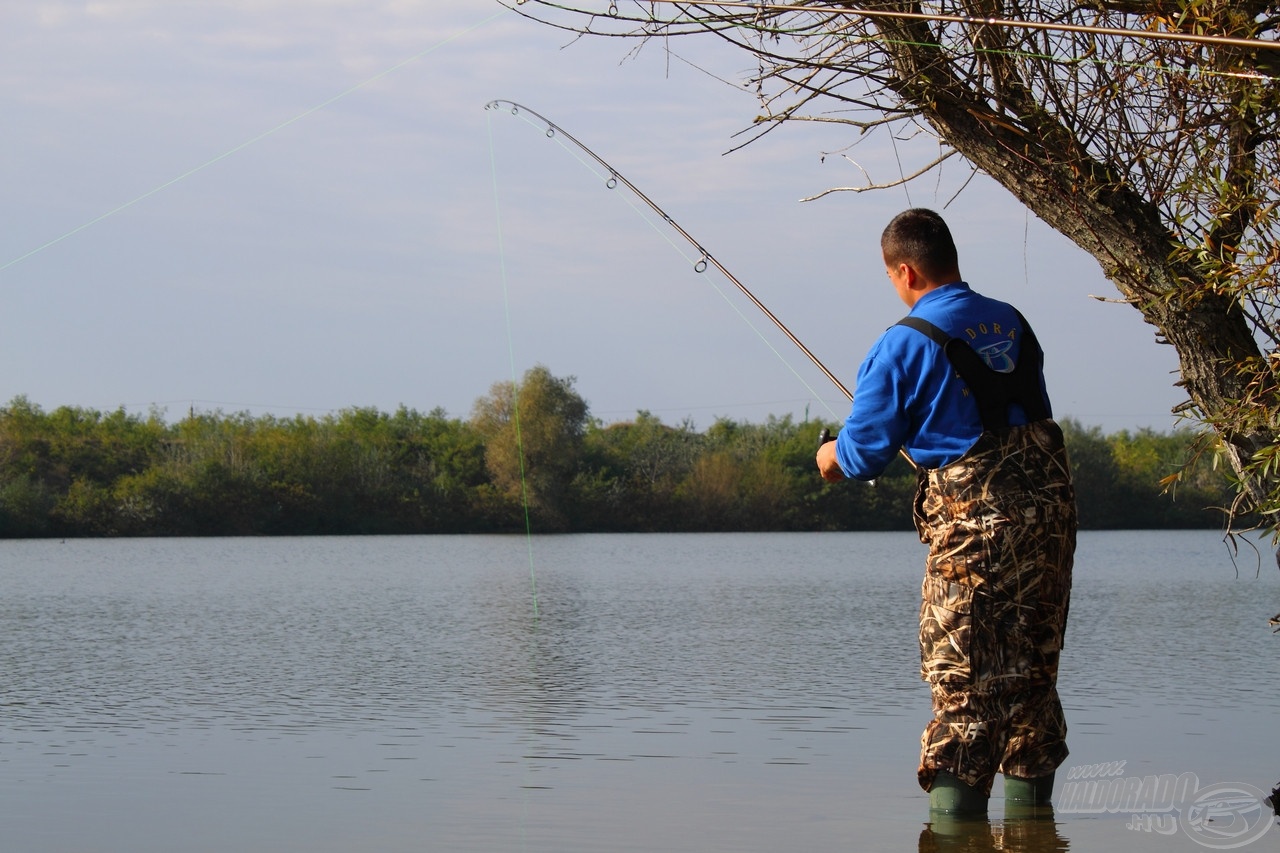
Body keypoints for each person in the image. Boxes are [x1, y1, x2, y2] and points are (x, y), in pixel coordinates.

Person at [816, 208, 1077, 815]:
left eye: (892, 278)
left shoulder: (902, 342)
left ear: (904, 270)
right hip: (1049, 522)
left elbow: (860, 456)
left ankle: (956, 834)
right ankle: (1034, 832)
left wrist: (826, 455)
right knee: (1032, 683)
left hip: (975, 537)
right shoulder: (1011, 321)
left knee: (962, 693)